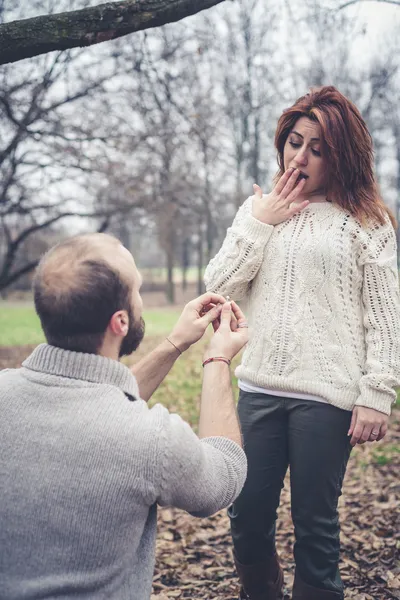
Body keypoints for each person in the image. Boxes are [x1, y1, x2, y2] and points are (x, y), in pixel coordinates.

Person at [204, 85, 400, 600]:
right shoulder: (259, 211)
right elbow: (217, 293)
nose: (301, 156)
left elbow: (383, 317)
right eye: (295, 141)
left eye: (318, 148)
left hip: (328, 397)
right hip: (259, 389)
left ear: (342, 156)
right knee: (246, 517)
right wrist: (259, 223)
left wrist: (376, 392)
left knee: (315, 526)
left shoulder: (367, 222)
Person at [0, 232, 249, 600]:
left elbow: (97, 404)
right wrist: (218, 359)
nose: (141, 302)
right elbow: (224, 475)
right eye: (138, 291)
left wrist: (175, 343)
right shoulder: (151, 439)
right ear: (120, 322)